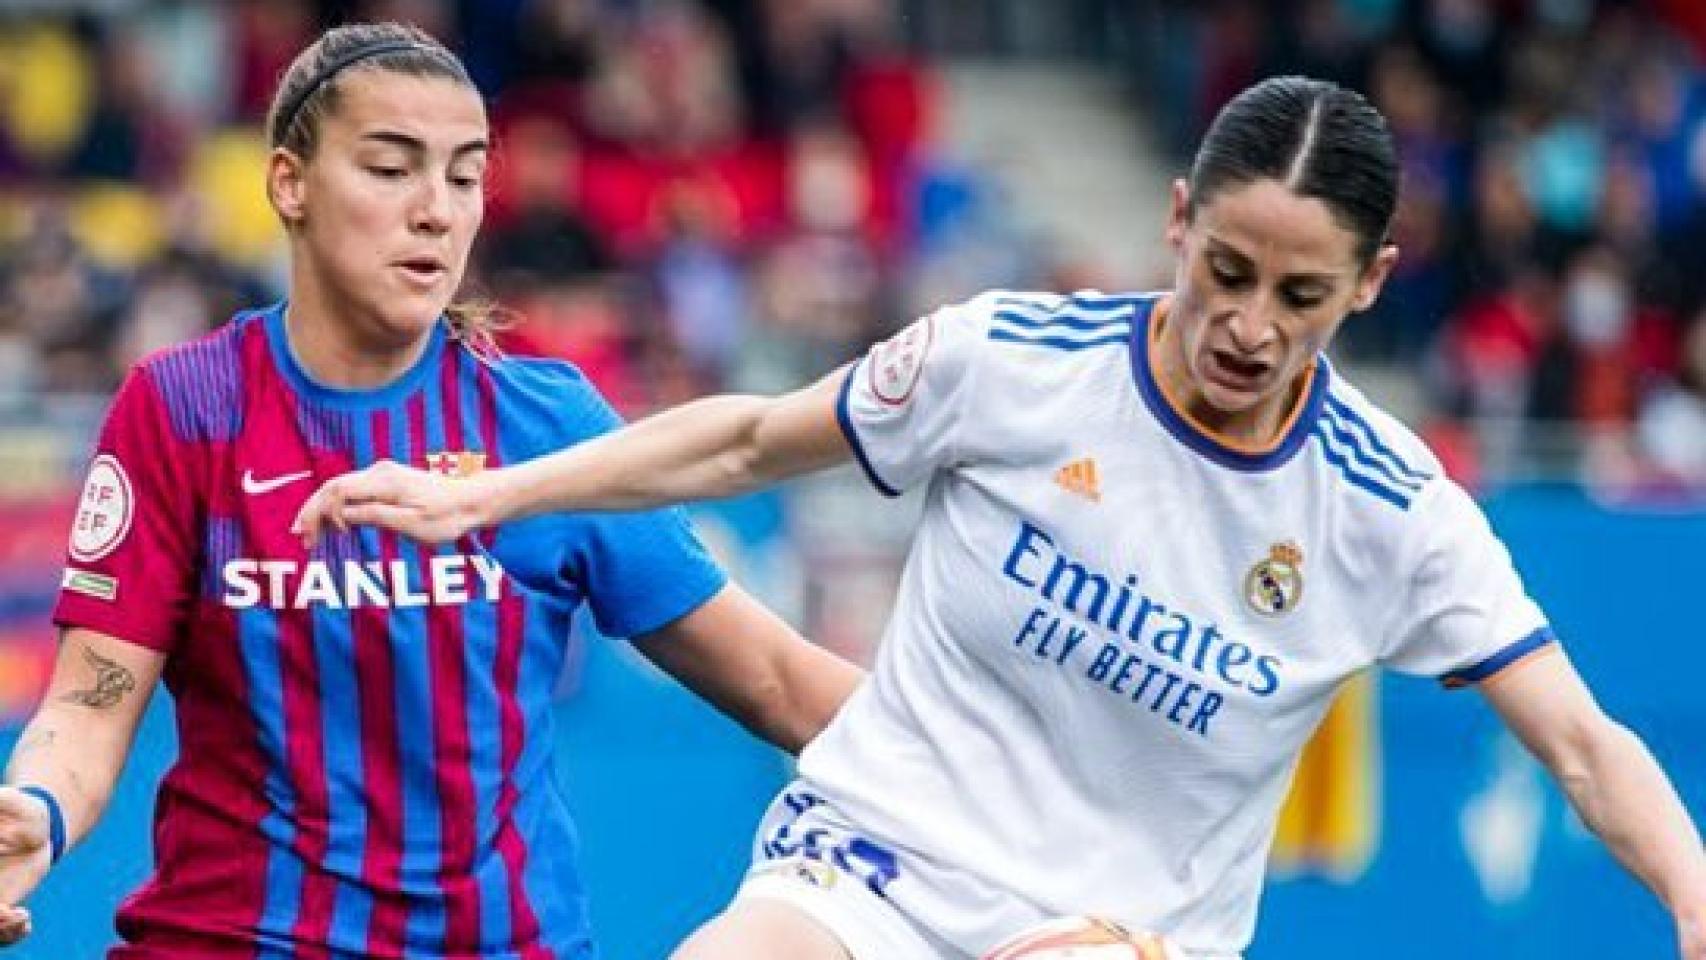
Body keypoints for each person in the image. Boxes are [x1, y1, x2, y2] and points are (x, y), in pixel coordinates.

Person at [293, 76, 1706, 960]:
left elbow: (1582, 745)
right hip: (869, 864)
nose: (1247, 326)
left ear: (1372, 285)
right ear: (1174, 220)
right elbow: (739, 441)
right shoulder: (1008, 364)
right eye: (1225, 270)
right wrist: (488, 492)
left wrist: (1694, 902)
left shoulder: (1393, 514)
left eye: (1299, 297)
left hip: (1112, 935)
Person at [0, 22, 860, 959]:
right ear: (289, 182)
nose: (436, 211)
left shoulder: (546, 426)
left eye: (462, 176)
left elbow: (779, 681)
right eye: (390, 168)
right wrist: (38, 810)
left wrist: (1009, 784)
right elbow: (90, 701)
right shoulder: (183, 408)